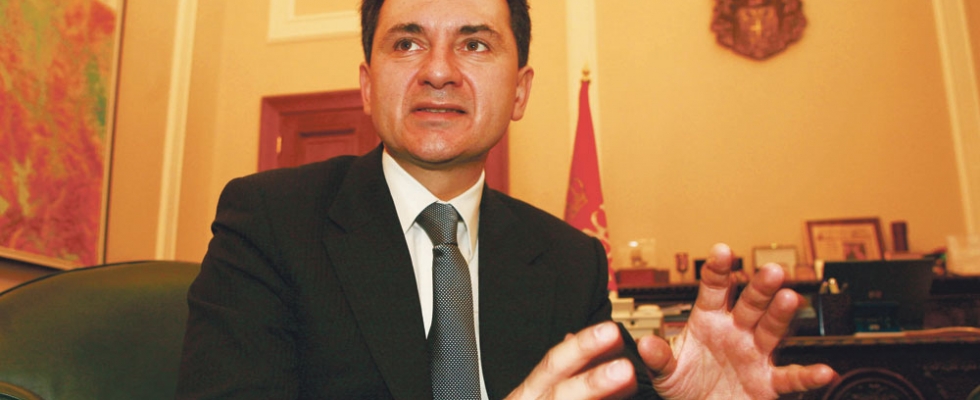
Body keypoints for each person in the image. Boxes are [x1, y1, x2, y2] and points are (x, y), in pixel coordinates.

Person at [176, 0, 836, 398]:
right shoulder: (270, 222)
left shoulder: (568, 260)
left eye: (474, 43)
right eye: (407, 42)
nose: (438, 70)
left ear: (520, 92)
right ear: (368, 86)